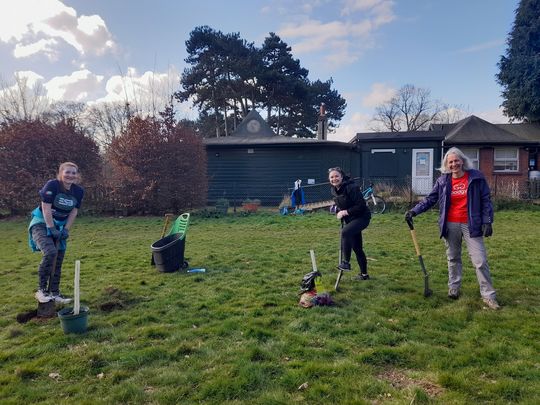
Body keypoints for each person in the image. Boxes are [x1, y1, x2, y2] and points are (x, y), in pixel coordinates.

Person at [405, 147, 500, 309]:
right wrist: (414, 211)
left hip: (473, 224)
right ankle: (454, 287)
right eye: (451, 162)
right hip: (450, 224)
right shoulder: (443, 181)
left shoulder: (476, 177)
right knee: (453, 258)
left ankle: (488, 295)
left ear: (462, 161)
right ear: (446, 165)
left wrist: (488, 221)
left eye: (456, 161)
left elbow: (486, 200)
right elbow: (430, 199)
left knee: (480, 260)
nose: (454, 164)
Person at [28, 162, 84, 304]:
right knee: (50, 252)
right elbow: (45, 207)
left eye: (73, 173)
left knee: (58, 258)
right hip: (41, 223)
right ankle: (41, 291)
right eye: (67, 172)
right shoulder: (52, 185)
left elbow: (74, 211)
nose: (70, 175)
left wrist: (66, 229)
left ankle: (55, 293)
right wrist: (51, 228)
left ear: (77, 175)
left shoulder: (78, 191)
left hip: (60, 226)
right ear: (60, 173)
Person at [329, 167, 371, 280]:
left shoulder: (351, 187)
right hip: (351, 220)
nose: (334, 179)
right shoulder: (333, 190)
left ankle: (346, 262)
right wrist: (337, 209)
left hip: (362, 217)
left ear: (342, 177)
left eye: (336, 176)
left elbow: (361, 205)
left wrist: (345, 212)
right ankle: (364, 275)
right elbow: (341, 203)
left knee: (345, 233)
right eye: (332, 177)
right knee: (357, 248)